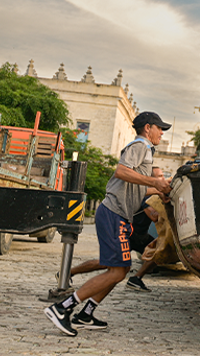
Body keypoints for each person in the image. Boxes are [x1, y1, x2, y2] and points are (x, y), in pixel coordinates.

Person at [44, 111, 172, 336]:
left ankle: (86, 314)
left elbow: (137, 187)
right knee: (116, 271)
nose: (162, 133)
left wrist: (159, 189)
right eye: (159, 128)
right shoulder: (140, 146)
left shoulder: (146, 151)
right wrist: (155, 181)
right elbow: (121, 171)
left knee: (120, 270)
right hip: (113, 214)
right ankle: (61, 308)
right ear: (147, 128)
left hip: (119, 216)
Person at [58, 169, 164, 293]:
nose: (162, 179)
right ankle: (67, 273)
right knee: (106, 263)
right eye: (160, 176)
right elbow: (154, 216)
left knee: (159, 252)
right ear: (151, 179)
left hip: (140, 235)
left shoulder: (150, 194)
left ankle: (136, 278)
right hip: (127, 233)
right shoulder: (142, 195)